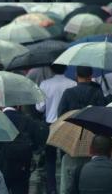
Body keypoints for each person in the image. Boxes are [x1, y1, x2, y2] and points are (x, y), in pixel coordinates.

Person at [36, 64, 76, 194]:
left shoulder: (45, 84)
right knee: (67, 157)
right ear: (65, 68)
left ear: (51, 69)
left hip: (50, 125)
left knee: (50, 159)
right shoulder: (72, 84)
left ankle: (51, 189)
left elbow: (39, 108)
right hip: (67, 124)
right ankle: (67, 187)